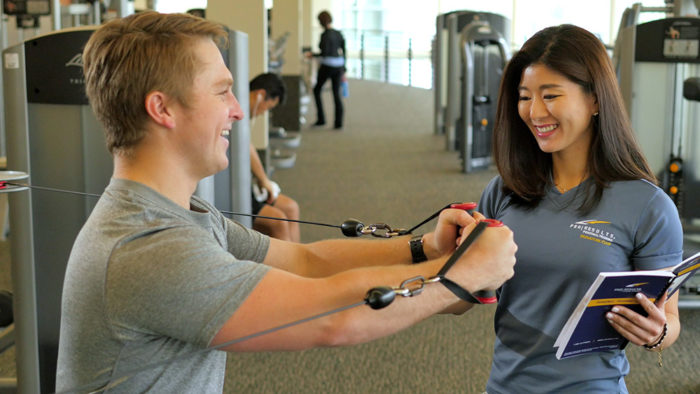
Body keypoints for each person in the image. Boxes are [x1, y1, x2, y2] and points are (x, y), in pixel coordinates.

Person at [56, 12, 517, 393]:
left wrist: (423, 249)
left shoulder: (185, 212)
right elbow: (328, 317)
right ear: (163, 109)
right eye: (222, 91)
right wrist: (462, 276)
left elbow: (305, 259)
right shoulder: (149, 248)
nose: (238, 108)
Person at [478, 24, 683, 393]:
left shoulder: (648, 207)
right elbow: (464, 293)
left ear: (595, 100)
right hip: (506, 386)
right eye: (525, 97)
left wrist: (657, 333)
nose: (534, 111)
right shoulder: (503, 192)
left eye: (551, 95)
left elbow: (669, 320)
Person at [248, 73, 301, 242]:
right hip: (235, 190)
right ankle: (287, 267)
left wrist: (263, 180)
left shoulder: (243, 117)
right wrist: (263, 180)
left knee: (291, 208)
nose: (263, 113)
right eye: (267, 107)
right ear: (260, 95)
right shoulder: (235, 113)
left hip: (248, 184)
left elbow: (247, 146)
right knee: (279, 222)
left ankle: (299, 266)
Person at [308, 10, 346, 130]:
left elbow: (324, 53)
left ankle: (321, 119)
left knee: (317, 90)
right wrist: (344, 67)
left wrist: (313, 55)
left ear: (320, 22)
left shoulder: (324, 35)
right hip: (339, 65)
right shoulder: (338, 33)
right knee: (336, 93)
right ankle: (338, 123)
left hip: (327, 66)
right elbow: (344, 50)